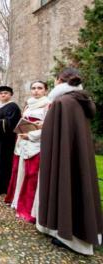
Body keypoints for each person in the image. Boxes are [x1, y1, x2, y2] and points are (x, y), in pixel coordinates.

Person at [37, 68, 102, 255]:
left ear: (59, 81)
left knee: (66, 183)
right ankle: (84, 236)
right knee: (80, 185)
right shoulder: (80, 100)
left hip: (63, 154)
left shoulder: (63, 102)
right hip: (78, 153)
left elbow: (52, 134)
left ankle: (70, 237)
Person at [4, 81, 50, 223]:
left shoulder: (48, 105)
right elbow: (22, 122)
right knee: (19, 172)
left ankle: (28, 208)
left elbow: (48, 127)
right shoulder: (28, 104)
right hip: (22, 142)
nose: (36, 91)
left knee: (32, 176)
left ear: (45, 90)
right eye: (33, 88)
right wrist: (21, 134)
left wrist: (30, 135)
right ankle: (17, 201)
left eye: (39, 88)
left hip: (35, 144)